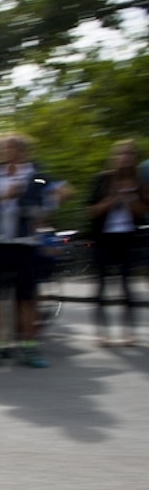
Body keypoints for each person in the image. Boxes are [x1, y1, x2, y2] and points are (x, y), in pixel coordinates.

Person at [0, 133, 51, 369]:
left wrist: (31, 207)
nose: (2, 153)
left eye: (7, 149)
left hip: (25, 243)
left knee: (26, 298)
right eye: (1, 150)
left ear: (21, 152)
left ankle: (29, 349)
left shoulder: (36, 176)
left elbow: (47, 204)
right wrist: (1, 198)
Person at [86, 139, 146, 346]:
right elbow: (92, 211)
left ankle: (129, 332)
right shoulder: (102, 180)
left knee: (127, 286)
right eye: (121, 153)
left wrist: (129, 198)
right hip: (104, 239)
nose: (124, 158)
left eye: (129, 154)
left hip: (127, 238)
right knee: (101, 286)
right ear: (114, 157)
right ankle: (102, 333)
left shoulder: (138, 184)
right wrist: (112, 199)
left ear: (133, 158)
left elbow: (142, 213)